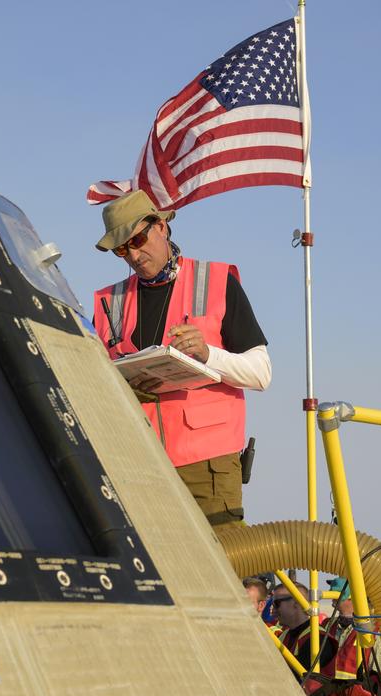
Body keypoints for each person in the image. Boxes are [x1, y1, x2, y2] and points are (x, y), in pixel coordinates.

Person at [91, 190, 271, 530]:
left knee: (220, 574)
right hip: (136, 466)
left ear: (162, 227)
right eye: (121, 249)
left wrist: (207, 355)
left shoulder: (218, 281)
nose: (133, 254)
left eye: (138, 239)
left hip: (207, 467)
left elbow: (261, 373)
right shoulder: (107, 302)